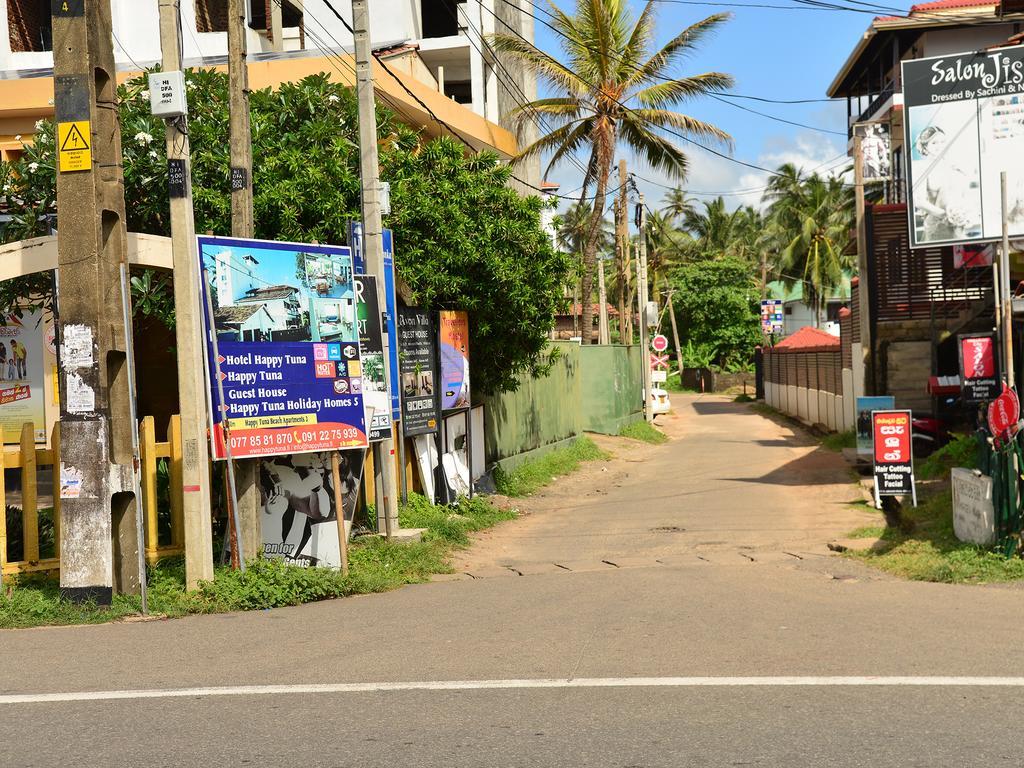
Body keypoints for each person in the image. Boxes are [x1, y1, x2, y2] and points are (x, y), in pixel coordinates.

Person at [914, 126, 982, 242]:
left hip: (958, 227)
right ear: (925, 147)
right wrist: (945, 215)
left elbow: (965, 195)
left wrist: (965, 213)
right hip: (936, 229)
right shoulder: (922, 168)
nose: (940, 146)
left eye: (943, 142)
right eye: (934, 143)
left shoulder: (955, 166)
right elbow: (919, 202)